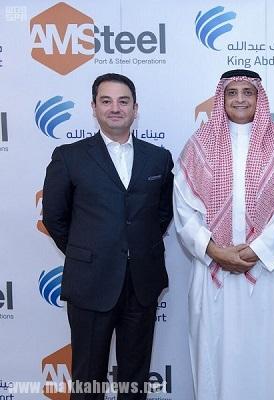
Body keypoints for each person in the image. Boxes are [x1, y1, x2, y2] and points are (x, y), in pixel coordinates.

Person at [174, 69, 274, 400]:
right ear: (221, 98)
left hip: (266, 273)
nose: (240, 99)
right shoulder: (198, 146)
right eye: (232, 92)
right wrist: (215, 251)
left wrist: (257, 250)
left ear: (260, 98)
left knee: (268, 360)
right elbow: (184, 210)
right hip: (213, 273)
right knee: (214, 359)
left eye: (247, 92)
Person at [43, 73, 174, 399]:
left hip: (141, 284)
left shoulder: (158, 158)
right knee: (88, 379)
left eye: (123, 101)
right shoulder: (69, 157)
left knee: (135, 380)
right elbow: (55, 218)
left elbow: (162, 214)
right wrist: (87, 252)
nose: (115, 108)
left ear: (135, 108)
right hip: (90, 282)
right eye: (106, 101)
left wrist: (134, 248)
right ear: (94, 107)